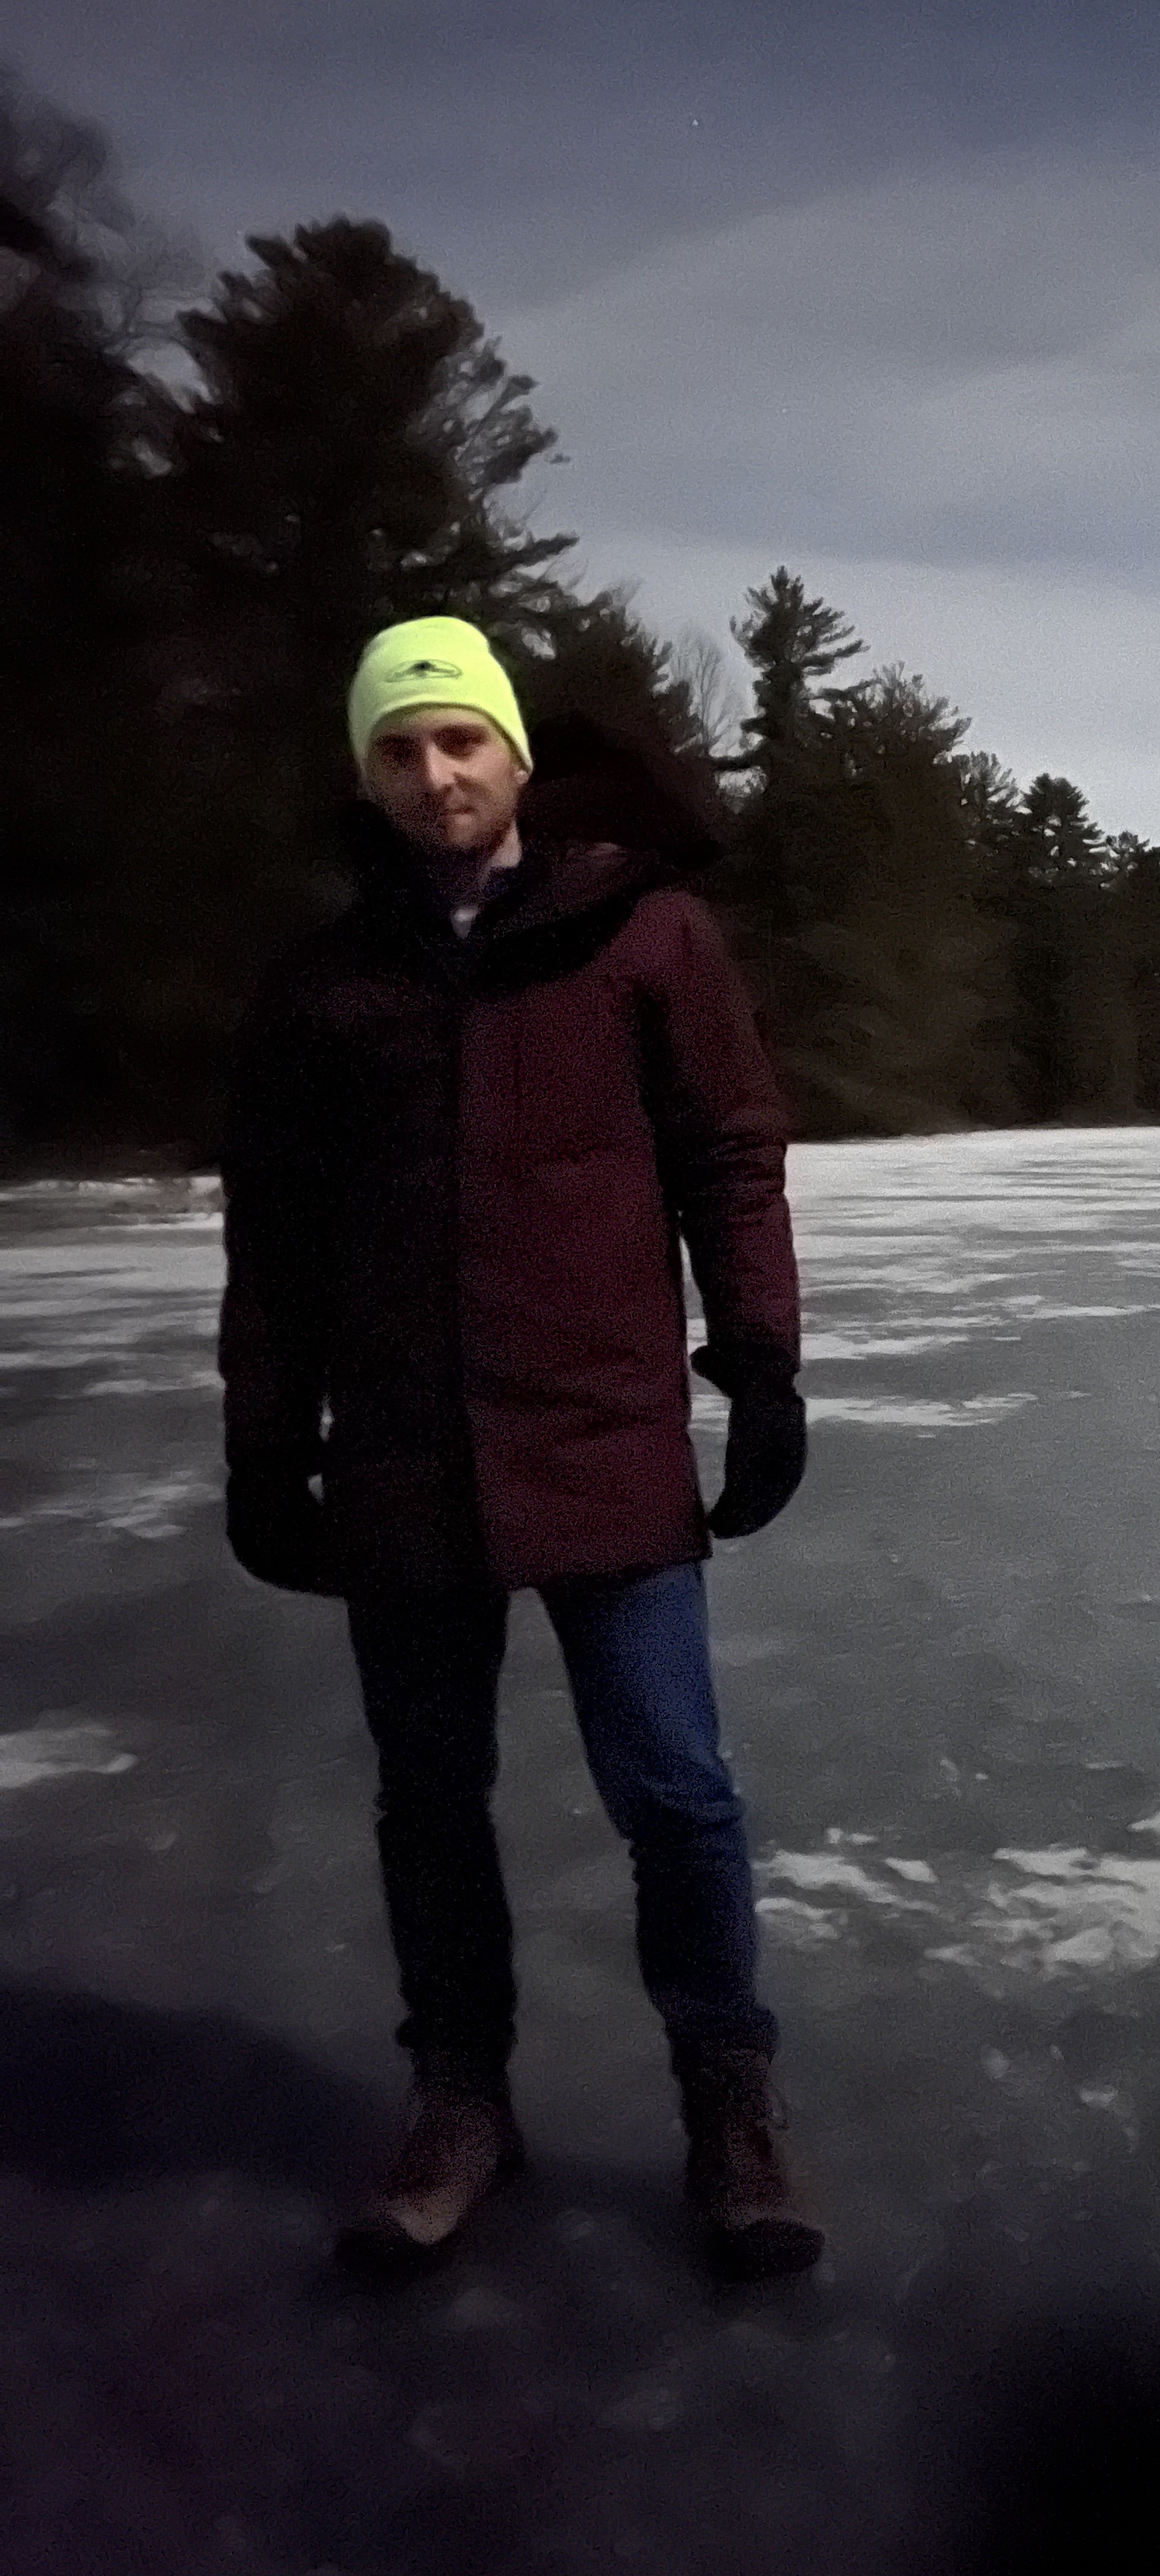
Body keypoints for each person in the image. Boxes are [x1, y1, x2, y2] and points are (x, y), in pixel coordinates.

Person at [217, 613, 820, 2282]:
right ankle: (461, 2102)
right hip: (406, 1459)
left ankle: (729, 2099)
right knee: (430, 1801)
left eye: (460, 740)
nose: (436, 775)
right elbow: (272, 1236)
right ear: (368, 773)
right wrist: (266, 1445)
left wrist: (759, 1365)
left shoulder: (647, 939)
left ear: (515, 757)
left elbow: (732, 1156)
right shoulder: (325, 984)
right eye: (401, 750)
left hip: (602, 1437)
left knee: (678, 1793)